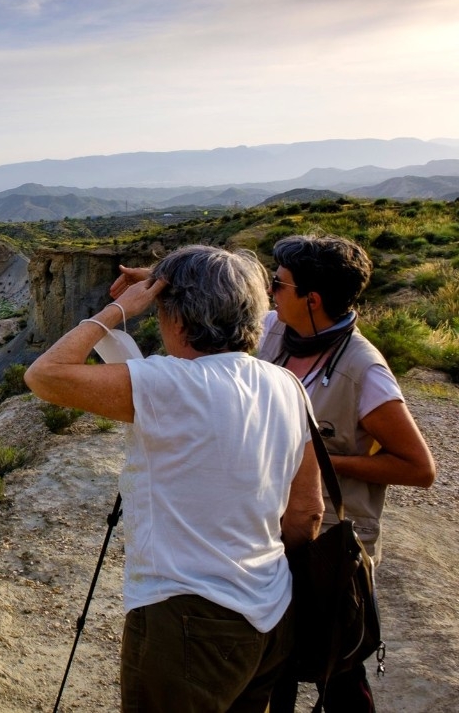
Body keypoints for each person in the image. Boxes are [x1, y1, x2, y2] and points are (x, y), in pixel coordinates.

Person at [111, 234, 437, 712]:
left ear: (313, 299)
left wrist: (307, 453)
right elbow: (225, 301)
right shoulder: (279, 330)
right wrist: (167, 282)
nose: (269, 290)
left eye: (278, 284)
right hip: (269, 538)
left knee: (337, 665)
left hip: (323, 542)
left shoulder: (363, 371)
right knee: (270, 664)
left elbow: (419, 468)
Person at [27, 245, 323, 713]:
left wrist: (118, 310)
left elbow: (45, 374)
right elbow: (308, 512)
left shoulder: (169, 384)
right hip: (271, 612)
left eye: (163, 309)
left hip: (186, 618)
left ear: (179, 318)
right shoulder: (286, 385)